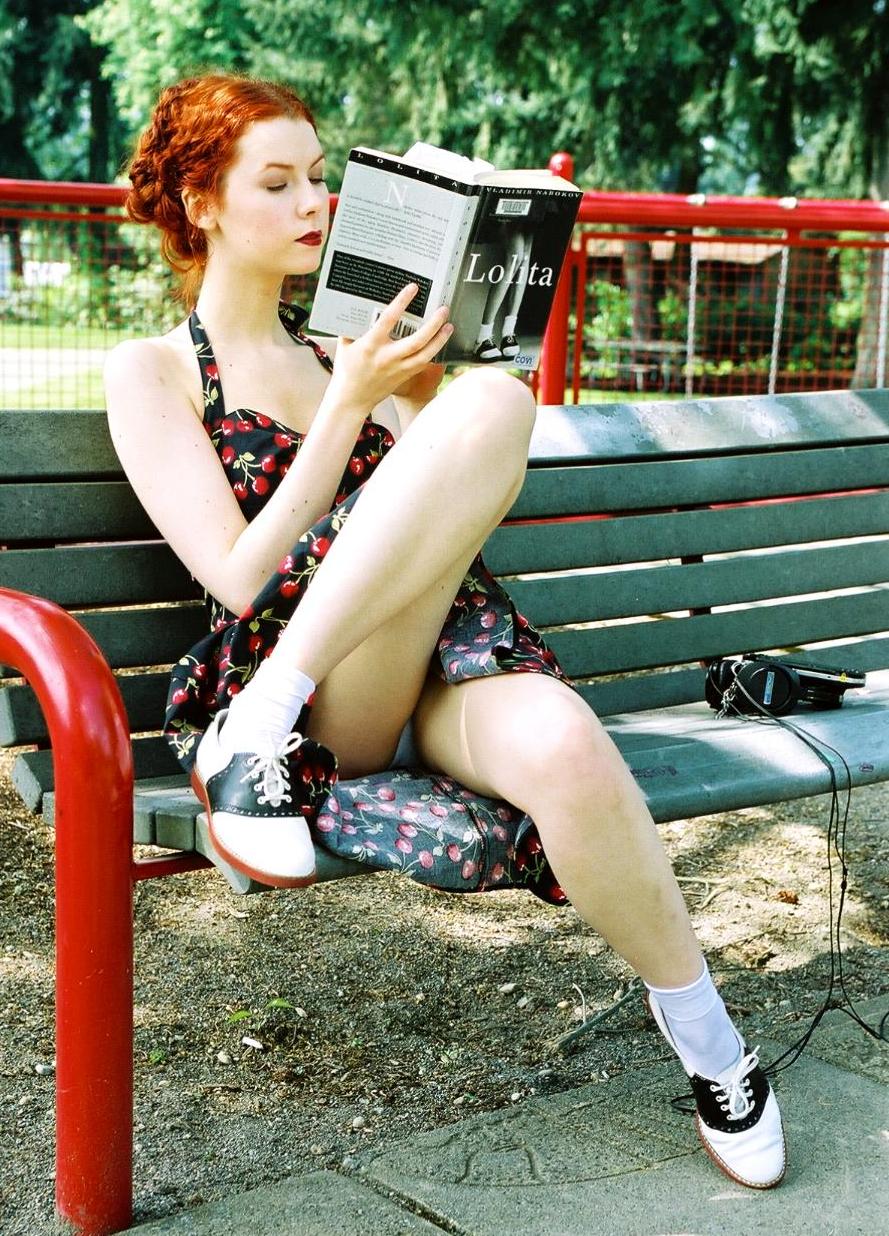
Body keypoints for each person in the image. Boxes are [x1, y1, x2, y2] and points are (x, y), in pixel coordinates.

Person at [104, 72, 786, 1191]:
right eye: (277, 182)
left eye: (321, 177)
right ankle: (262, 718)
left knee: (561, 729)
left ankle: (713, 1047)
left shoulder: (351, 348)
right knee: (486, 405)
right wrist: (346, 408)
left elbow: (455, 497)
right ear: (202, 201)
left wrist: (405, 384)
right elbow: (233, 576)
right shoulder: (158, 371)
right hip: (317, 682)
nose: (313, 202)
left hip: (446, 653)